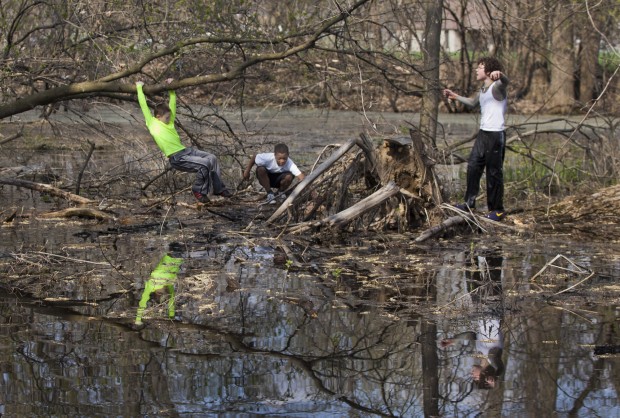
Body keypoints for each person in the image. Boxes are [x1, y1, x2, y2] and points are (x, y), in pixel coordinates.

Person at [136, 79, 232, 203]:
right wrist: (139, 87)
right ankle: (198, 190)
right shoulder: (152, 123)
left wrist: (171, 90)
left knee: (212, 158)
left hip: (186, 151)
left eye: (170, 116)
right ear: (158, 117)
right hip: (177, 158)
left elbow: (173, 105)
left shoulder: (169, 123)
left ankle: (219, 189)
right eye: (167, 117)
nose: (169, 119)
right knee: (205, 163)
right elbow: (143, 105)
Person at [443, 57, 509, 221]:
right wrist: (455, 96)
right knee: (473, 166)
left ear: (488, 71)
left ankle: (497, 210)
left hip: (495, 135)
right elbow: (473, 102)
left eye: (480, 68)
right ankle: (469, 202)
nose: (476, 70)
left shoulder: (498, 86)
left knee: (494, 173)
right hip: (483, 134)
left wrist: (500, 74)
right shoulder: (484, 89)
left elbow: (506, 82)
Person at [135, 253, 183, 325]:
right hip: (178, 261)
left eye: (161, 294)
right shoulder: (168, 285)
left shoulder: (151, 286)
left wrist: (138, 319)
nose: (165, 293)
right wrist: (171, 317)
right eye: (164, 294)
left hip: (170, 259)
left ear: (157, 293)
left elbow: (142, 303)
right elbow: (171, 302)